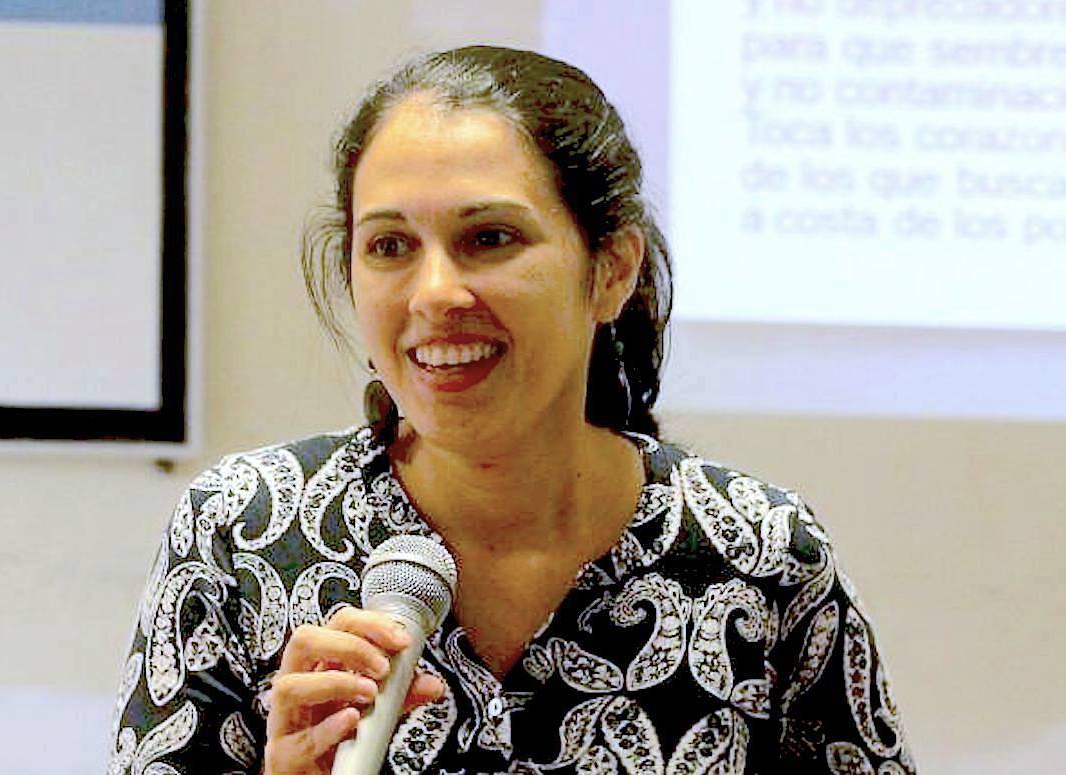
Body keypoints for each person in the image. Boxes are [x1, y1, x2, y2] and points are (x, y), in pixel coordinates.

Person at [108, 46, 914, 774]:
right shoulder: (242, 532)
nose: (434, 294)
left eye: (489, 238)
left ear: (611, 269)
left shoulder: (759, 550)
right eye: (389, 245)